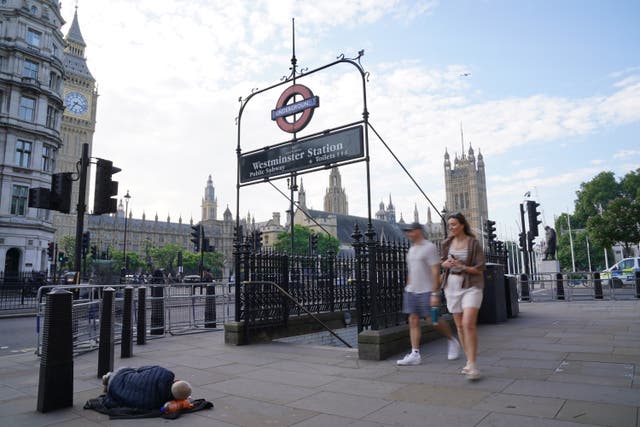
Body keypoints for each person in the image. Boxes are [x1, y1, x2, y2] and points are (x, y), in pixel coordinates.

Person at [397, 222, 461, 366]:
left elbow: (435, 271)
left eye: (411, 231)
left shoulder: (429, 248)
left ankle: (452, 340)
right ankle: (415, 353)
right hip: (412, 291)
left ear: (419, 231)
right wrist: (408, 287)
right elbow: (412, 270)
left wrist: (434, 293)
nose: (408, 234)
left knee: (433, 320)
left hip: (426, 291)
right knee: (413, 320)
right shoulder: (412, 250)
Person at [440, 212, 486, 380]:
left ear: (462, 225)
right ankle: (469, 361)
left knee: (468, 324)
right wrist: (445, 264)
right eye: (449, 225)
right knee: (459, 326)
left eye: (453, 224)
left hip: (471, 285)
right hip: (452, 286)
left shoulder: (473, 243)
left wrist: (462, 266)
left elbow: (480, 268)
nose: (450, 227)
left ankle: (473, 364)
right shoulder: (446, 243)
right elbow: (442, 262)